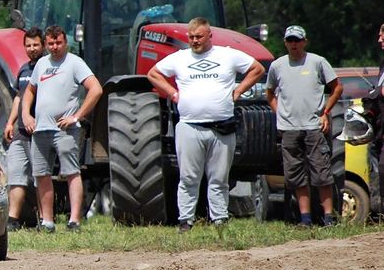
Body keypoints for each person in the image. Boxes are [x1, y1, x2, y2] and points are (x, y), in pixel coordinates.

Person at [146, 17, 265, 232]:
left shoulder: (227, 55)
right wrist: (172, 93)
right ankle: (186, 221)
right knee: (189, 177)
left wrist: (238, 91)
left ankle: (219, 220)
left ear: (210, 35)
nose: (194, 41)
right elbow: (153, 73)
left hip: (222, 128)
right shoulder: (180, 58)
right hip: (190, 127)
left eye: (199, 36)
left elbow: (257, 69)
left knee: (219, 178)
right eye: (191, 37)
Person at [21, 25, 103, 233]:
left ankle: (74, 220)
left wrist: (77, 116)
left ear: (65, 42)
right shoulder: (41, 64)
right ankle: (47, 221)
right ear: (46, 43)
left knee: (71, 172)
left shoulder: (75, 63)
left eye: (58, 43)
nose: (54, 47)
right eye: (50, 43)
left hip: (65, 130)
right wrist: (25, 115)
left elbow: (96, 89)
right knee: (41, 174)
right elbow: (29, 91)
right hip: (40, 130)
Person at [265, 25, 342, 227]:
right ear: (285, 43)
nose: (294, 44)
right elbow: (270, 93)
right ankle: (305, 218)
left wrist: (325, 112)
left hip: (313, 126)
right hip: (289, 128)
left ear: (304, 41)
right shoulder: (277, 66)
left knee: (321, 172)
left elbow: (336, 88)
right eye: (290, 40)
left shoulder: (317, 62)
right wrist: (279, 112)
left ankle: (328, 218)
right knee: (296, 175)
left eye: (297, 40)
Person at [3, 28, 45, 230]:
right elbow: (19, 97)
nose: (32, 49)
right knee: (16, 174)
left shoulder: (47, 68)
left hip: (41, 128)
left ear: (43, 45)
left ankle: (45, 220)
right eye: (28, 45)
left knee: (40, 175)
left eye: (35, 45)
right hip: (20, 130)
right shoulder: (24, 69)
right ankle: (12, 220)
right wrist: (10, 122)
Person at [363, 22, 384, 208]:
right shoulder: (383, 65)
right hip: (379, 129)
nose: (379, 39)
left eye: (382, 35)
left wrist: (375, 93)